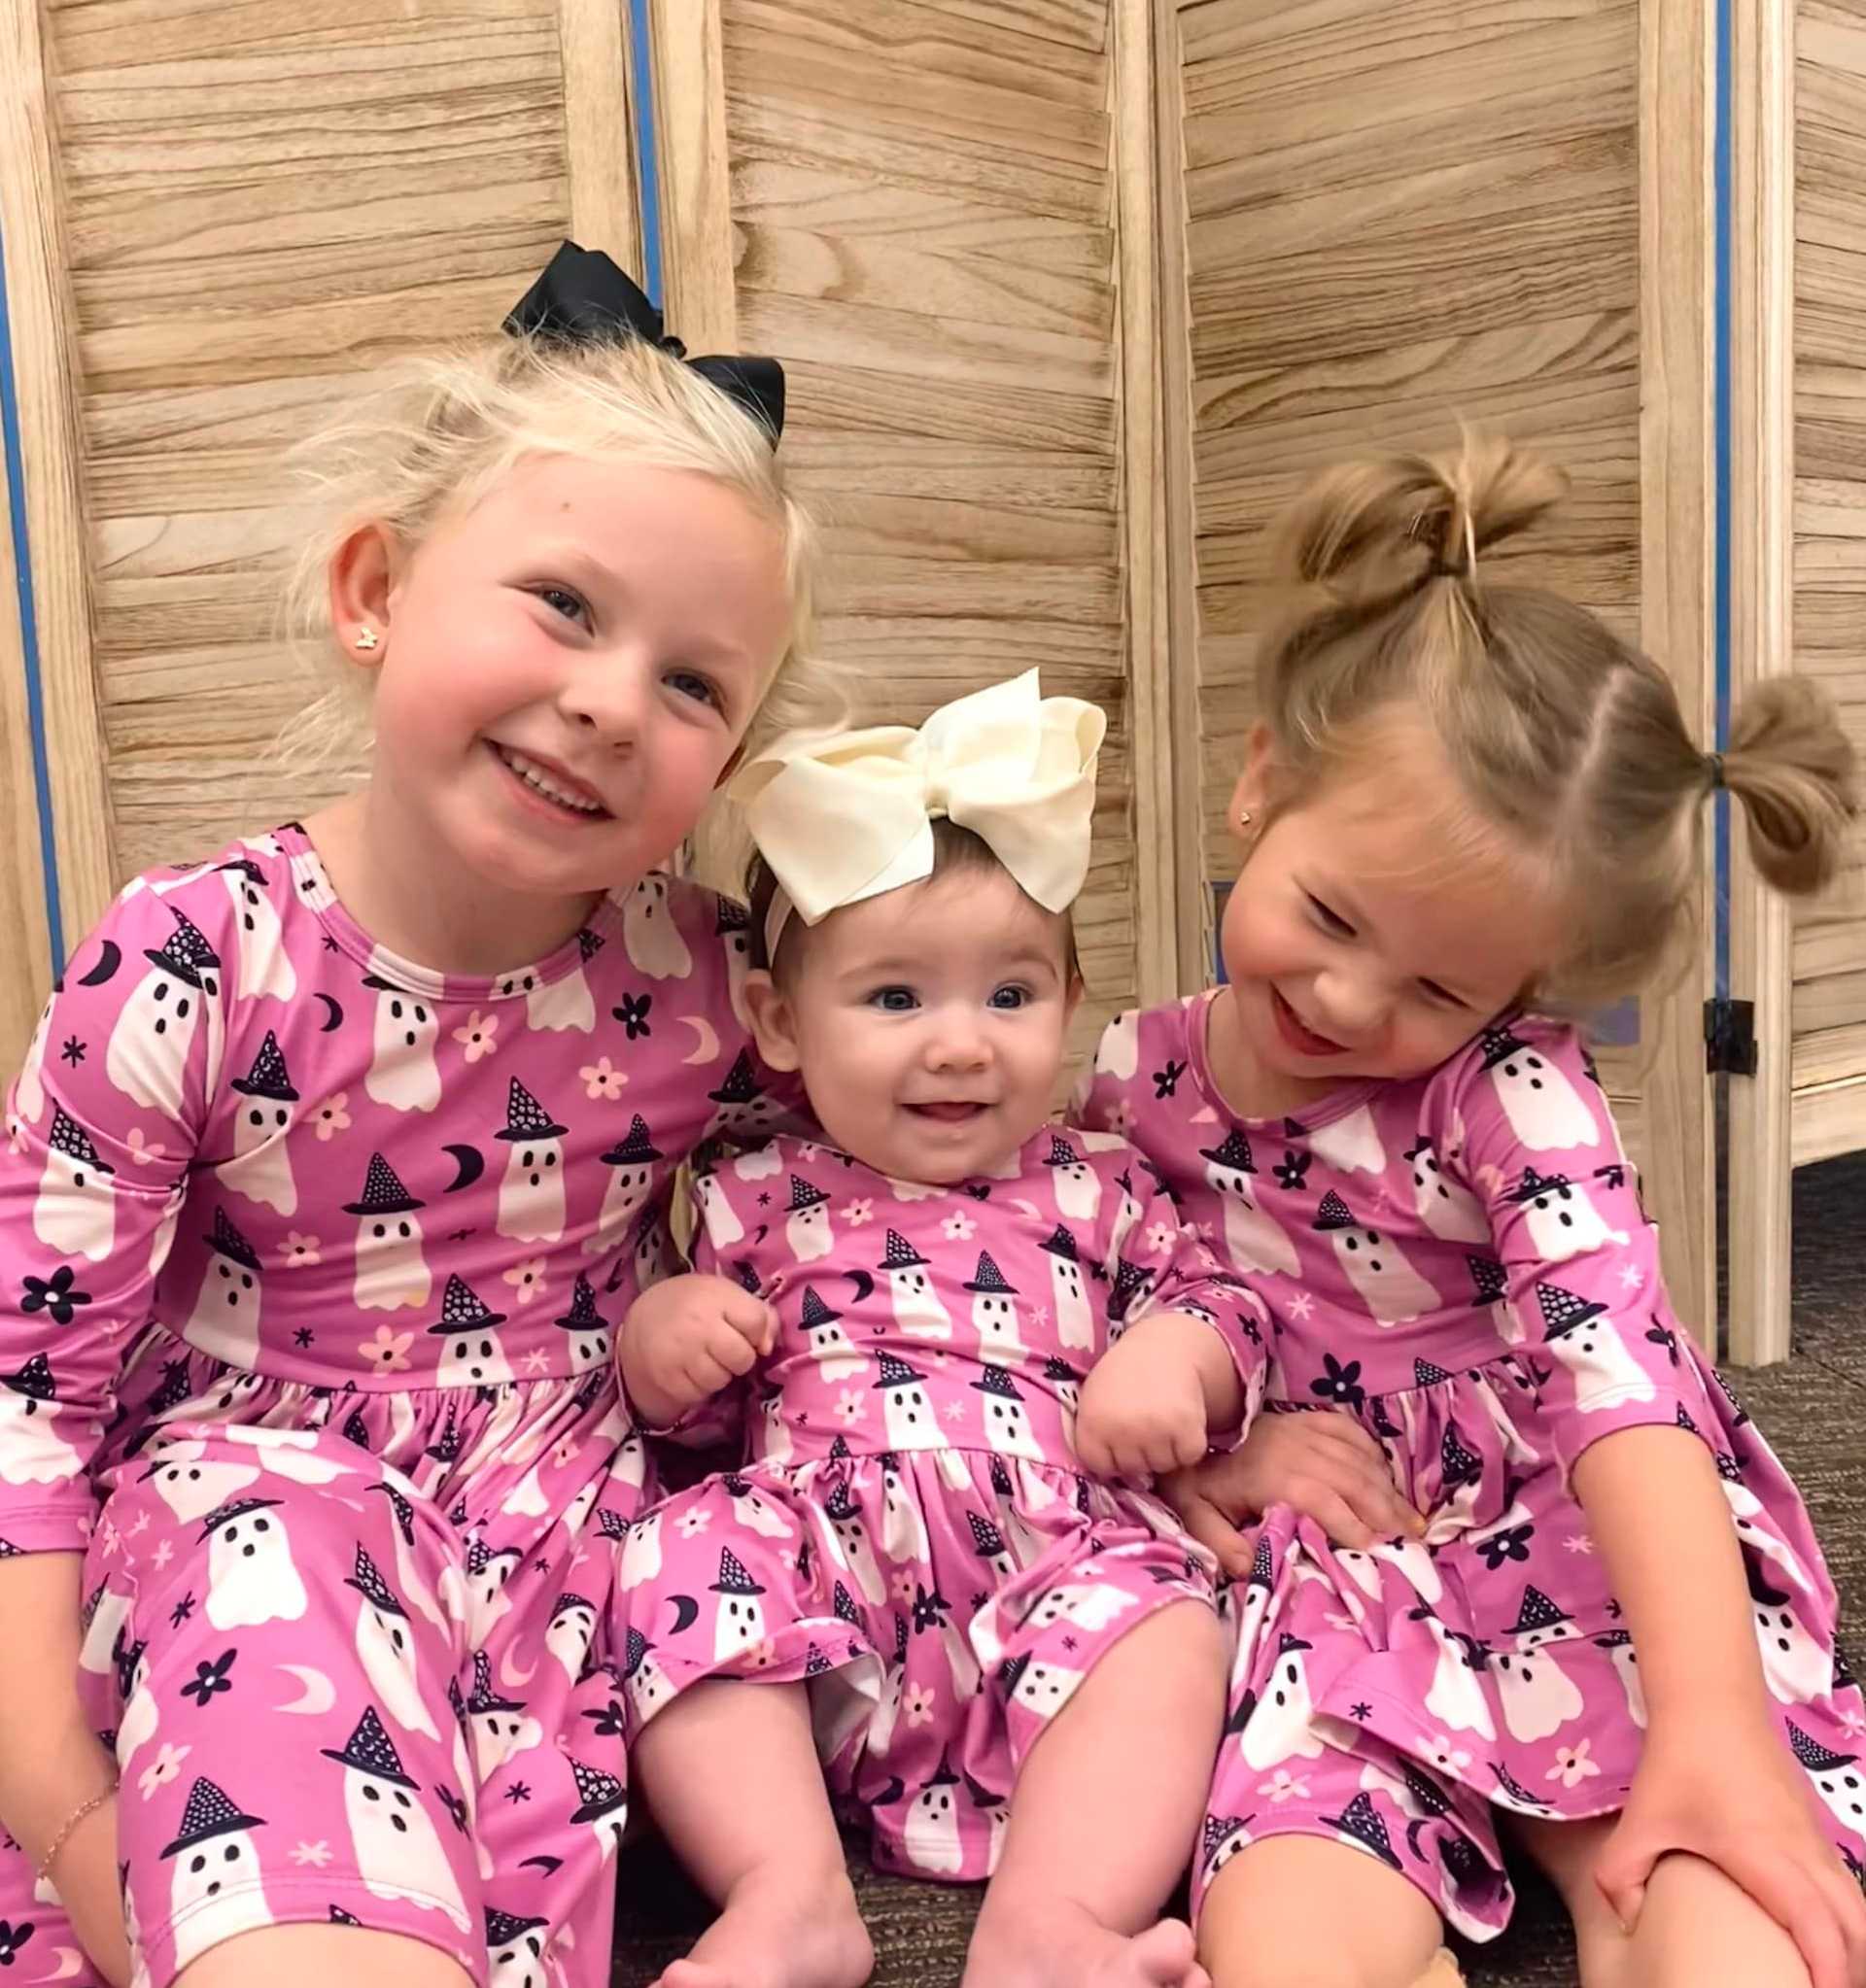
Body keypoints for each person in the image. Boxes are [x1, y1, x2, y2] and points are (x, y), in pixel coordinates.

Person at [0, 242, 829, 1988]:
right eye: (564, 604)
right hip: (255, 1513)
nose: (611, 702)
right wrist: (71, 1825)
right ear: (373, 587)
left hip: (567, 1541)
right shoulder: (194, 963)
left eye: (696, 685)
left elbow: (910, 1194)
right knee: (271, 1550)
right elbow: (22, 1423)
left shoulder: (706, 977)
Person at [1076, 436, 1866, 1988]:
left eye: (1439, 985)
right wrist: (1224, 1452)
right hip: (1335, 1566)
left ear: (1519, 986)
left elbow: (1622, 1386)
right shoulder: (1129, 1076)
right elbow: (1106, 1329)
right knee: (1284, 1942)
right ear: (1259, 781)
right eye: (1329, 913)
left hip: (1572, 1525)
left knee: (1726, 1916)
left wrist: (1713, 1725)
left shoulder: (1513, 1092)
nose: (1346, 998)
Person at [615, 671, 1268, 1988]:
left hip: (1059, 1567)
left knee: (1171, 1629)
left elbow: (1220, 1301)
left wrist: (1171, 1357)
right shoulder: (750, 1190)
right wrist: (663, 1339)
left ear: (1070, 995)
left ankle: (1052, 1924)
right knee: (671, 1559)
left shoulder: (1099, 1179)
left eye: (1010, 997)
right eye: (897, 1000)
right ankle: (787, 1893)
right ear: (780, 1023)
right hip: (822, 1584)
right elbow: (693, 1421)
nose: (963, 1046)